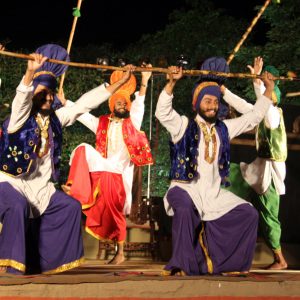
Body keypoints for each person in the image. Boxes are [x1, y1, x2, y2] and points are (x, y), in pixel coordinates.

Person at [0, 44, 132, 275]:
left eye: (51, 94)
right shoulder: (18, 119)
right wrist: (30, 72)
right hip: (10, 183)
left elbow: (83, 104)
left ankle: (40, 262)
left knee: (70, 206)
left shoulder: (56, 120)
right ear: (33, 93)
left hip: (41, 188)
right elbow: (21, 99)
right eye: (43, 92)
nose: (49, 97)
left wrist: (118, 84)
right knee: (18, 205)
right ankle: (11, 268)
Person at [155, 63, 275, 276]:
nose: (212, 105)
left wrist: (268, 90)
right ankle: (181, 264)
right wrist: (171, 84)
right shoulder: (182, 125)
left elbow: (254, 117)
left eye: (215, 102)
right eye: (207, 101)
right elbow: (162, 113)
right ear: (197, 104)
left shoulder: (224, 128)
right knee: (184, 210)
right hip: (184, 190)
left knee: (248, 213)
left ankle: (223, 264)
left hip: (213, 193)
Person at [62, 63, 153, 265]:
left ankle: (119, 253)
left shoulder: (133, 123)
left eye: (125, 103)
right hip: (103, 166)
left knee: (115, 211)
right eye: (119, 103)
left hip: (119, 173)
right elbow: (83, 116)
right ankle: (75, 188)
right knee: (83, 148)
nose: (123, 105)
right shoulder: (102, 123)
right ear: (112, 105)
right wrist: (65, 101)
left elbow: (140, 104)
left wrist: (144, 81)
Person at [223, 57, 288, 270]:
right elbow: (245, 106)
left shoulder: (274, 115)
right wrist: (223, 91)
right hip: (257, 170)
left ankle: (280, 259)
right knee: (228, 175)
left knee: (270, 218)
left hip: (270, 172)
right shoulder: (264, 109)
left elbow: (264, 106)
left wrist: (261, 85)